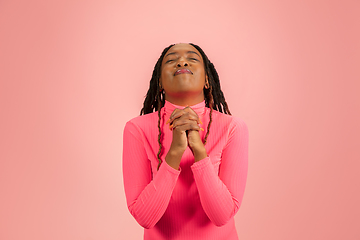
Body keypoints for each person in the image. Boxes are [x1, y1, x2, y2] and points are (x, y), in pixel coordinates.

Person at [122, 43, 248, 240]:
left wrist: (199, 151)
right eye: (171, 60)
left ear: (207, 80)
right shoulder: (136, 129)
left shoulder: (232, 128)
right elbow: (145, 218)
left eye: (192, 58)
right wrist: (174, 153)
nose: (181, 61)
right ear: (160, 82)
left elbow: (222, 216)